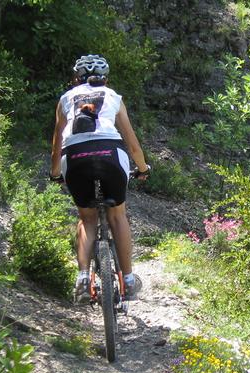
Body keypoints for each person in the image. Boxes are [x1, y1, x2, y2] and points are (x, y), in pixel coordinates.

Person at [49, 54, 150, 303]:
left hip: (75, 158)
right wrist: (143, 168)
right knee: (117, 214)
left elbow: (56, 144)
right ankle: (127, 279)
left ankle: (83, 279)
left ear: (76, 78)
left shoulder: (65, 99)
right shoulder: (113, 97)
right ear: (105, 78)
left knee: (86, 219)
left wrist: (55, 174)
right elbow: (131, 141)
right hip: (110, 153)